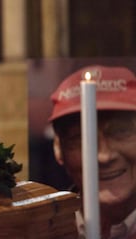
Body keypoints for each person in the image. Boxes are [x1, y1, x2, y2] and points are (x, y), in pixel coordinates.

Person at [49, 65, 136, 239]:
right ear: (58, 148)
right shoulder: (41, 231)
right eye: (80, 137)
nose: (103, 156)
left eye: (120, 131)